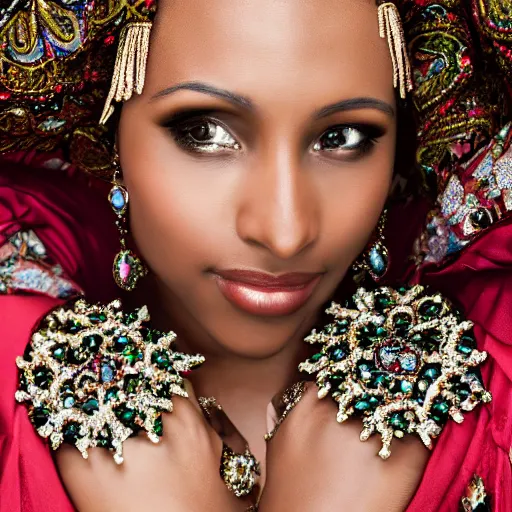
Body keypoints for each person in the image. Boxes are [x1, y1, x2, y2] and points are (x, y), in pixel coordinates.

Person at [0, 0, 510, 510]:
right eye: (206, 133)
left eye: (343, 137)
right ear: (111, 134)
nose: (285, 233)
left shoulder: (495, 390)